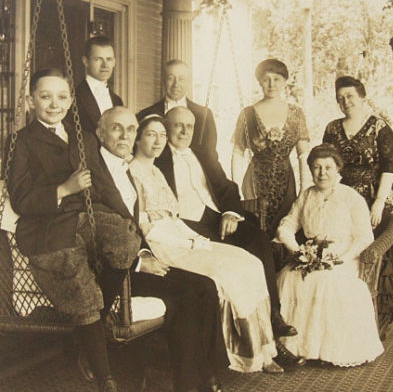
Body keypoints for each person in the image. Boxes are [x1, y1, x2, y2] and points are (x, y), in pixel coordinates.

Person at [130, 112, 303, 374]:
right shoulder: (136, 171)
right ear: (138, 138)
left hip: (192, 229)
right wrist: (189, 239)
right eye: (154, 134)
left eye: (161, 135)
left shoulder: (161, 168)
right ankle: (242, 351)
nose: (160, 140)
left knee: (252, 259)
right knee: (228, 271)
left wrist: (228, 214)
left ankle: (267, 345)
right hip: (168, 240)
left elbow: (226, 186)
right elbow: (147, 224)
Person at [7, 68, 141, 392]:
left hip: (84, 217)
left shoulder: (79, 133)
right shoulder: (22, 141)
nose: (55, 104)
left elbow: (104, 184)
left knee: (125, 241)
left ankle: (87, 339)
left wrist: (128, 220)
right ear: (30, 100)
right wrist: (63, 189)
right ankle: (105, 376)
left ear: (70, 100)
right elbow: (20, 198)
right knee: (83, 291)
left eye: (62, 96)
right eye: (45, 96)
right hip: (46, 227)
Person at [95, 106, 228, 392]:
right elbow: (100, 232)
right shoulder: (97, 172)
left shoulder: (126, 170)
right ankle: (192, 383)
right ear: (100, 132)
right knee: (188, 294)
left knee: (205, 286)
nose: (125, 135)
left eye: (130, 129)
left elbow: (133, 225)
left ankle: (205, 374)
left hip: (137, 257)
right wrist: (140, 262)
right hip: (115, 270)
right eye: (117, 128)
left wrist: (145, 255)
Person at [275, 143, 384, 366]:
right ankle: (295, 347)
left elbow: (364, 237)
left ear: (338, 170)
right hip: (310, 254)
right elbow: (287, 225)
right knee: (288, 277)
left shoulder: (351, 197)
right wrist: (297, 251)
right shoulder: (306, 196)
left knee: (327, 282)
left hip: (344, 256)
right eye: (316, 167)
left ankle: (326, 351)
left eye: (328, 167)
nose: (322, 173)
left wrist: (341, 259)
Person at [323, 76, 393, 337]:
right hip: (345, 196)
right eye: (341, 98)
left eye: (350, 96)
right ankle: (343, 315)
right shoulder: (333, 128)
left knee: (372, 251)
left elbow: (390, 168)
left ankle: (375, 317)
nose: (346, 102)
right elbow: (327, 164)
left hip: (376, 195)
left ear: (362, 96)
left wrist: (378, 203)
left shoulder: (379, 127)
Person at [231, 59, 310, 239]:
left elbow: (303, 154)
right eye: (266, 79)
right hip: (254, 182)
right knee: (256, 231)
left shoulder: (296, 113)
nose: (271, 84)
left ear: (284, 81)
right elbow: (237, 153)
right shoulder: (247, 114)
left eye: (276, 79)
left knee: (284, 231)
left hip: (286, 182)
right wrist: (235, 190)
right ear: (259, 81)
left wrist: (304, 189)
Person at [136, 59, 217, 154]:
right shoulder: (145, 114)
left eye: (181, 79)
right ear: (163, 81)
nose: (176, 84)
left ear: (189, 82)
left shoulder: (204, 115)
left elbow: (211, 155)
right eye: (170, 78)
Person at [68, 36, 123, 135]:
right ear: (85, 61)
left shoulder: (117, 101)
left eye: (109, 59)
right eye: (98, 59)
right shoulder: (74, 97)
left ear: (114, 62)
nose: (105, 65)